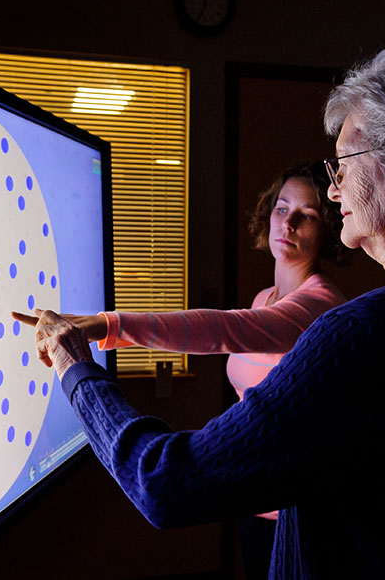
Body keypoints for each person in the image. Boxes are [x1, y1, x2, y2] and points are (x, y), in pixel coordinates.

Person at [16, 45, 385, 579]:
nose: (335, 189)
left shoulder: (360, 334)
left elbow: (164, 482)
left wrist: (76, 368)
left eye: (344, 165)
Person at [24, 161, 349, 579]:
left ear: (326, 230)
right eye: (282, 209)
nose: (289, 223)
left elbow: (227, 329)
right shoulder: (264, 297)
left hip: (295, 510)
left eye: (307, 216)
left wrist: (109, 324)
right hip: (251, 497)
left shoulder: (319, 303)